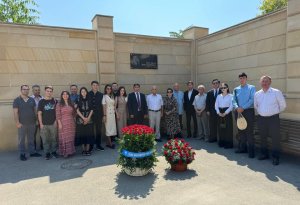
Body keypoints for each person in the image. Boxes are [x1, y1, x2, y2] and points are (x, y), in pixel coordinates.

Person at [254, 76, 286, 165]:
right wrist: (263, 112)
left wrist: (274, 113)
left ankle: (275, 157)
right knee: (263, 137)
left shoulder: (276, 92)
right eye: (263, 81)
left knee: (275, 138)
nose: (264, 83)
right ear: (260, 82)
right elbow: (256, 106)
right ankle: (264, 154)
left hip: (273, 119)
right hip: (261, 119)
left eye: (266, 81)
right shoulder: (257, 94)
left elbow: (283, 105)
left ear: (270, 82)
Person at [13, 85, 41, 161]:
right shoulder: (17, 100)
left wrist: (36, 120)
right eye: (24, 89)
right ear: (21, 90)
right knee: (21, 139)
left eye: (27, 89)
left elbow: (35, 110)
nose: (26, 91)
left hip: (32, 123)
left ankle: (32, 152)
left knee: (31, 139)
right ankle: (22, 154)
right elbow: (15, 112)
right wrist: (17, 123)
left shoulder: (31, 99)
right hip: (22, 124)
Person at [233, 72, 256, 158]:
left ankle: (251, 151)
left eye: (243, 78)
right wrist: (237, 107)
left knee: (249, 132)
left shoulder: (251, 87)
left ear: (246, 79)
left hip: (248, 111)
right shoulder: (236, 89)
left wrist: (243, 107)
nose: (242, 80)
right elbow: (233, 100)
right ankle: (242, 148)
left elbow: (252, 99)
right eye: (240, 78)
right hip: (238, 111)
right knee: (240, 131)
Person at [38, 86, 58, 160]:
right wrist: (41, 124)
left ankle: (54, 152)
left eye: (50, 91)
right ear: (45, 91)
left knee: (54, 139)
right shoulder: (41, 101)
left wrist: (56, 121)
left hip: (53, 123)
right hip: (44, 124)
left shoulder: (55, 101)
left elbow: (57, 112)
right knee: (45, 140)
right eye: (47, 91)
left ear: (52, 92)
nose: (49, 92)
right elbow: (39, 113)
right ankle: (47, 153)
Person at [56, 91, 76, 158]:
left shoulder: (71, 103)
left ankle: (71, 151)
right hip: (63, 123)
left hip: (71, 122)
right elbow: (58, 114)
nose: (65, 95)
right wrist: (59, 124)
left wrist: (75, 107)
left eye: (66, 94)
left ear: (68, 95)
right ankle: (65, 152)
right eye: (63, 94)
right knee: (64, 138)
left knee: (70, 137)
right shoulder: (59, 104)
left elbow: (74, 113)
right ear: (61, 96)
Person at [76, 87, 94, 156]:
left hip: (89, 119)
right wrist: (83, 118)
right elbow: (77, 110)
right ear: (80, 93)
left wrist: (88, 118)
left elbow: (92, 109)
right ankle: (83, 150)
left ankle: (88, 149)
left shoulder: (90, 99)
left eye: (84, 91)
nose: (83, 93)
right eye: (82, 91)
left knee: (89, 135)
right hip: (81, 120)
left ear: (86, 92)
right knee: (82, 135)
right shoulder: (78, 100)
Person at [215, 83, 233, 149]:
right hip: (220, 112)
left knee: (228, 129)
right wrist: (218, 112)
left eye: (224, 87)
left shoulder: (231, 96)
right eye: (222, 88)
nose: (223, 89)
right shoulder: (218, 96)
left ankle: (228, 144)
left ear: (227, 88)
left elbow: (231, 106)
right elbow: (216, 105)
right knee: (221, 128)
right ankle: (222, 142)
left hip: (227, 113)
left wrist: (225, 113)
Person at [88, 81, 104, 151]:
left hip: (99, 115)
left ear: (98, 86)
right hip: (90, 115)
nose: (95, 86)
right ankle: (91, 146)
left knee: (98, 130)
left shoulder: (101, 95)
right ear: (91, 86)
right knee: (90, 131)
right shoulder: (88, 94)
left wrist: (104, 115)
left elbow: (103, 106)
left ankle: (98, 145)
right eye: (94, 85)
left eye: (96, 85)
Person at [102, 84, 117, 149]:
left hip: (112, 115)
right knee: (108, 129)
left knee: (111, 128)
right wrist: (104, 115)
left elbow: (114, 106)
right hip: (107, 114)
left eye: (110, 89)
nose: (109, 90)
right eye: (107, 88)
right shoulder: (104, 96)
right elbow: (104, 106)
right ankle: (110, 144)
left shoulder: (112, 96)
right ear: (105, 89)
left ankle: (108, 143)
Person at [31, 84, 43, 151]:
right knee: (33, 134)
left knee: (42, 134)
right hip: (33, 119)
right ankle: (34, 148)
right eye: (35, 90)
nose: (37, 91)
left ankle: (42, 146)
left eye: (38, 90)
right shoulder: (30, 99)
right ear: (32, 91)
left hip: (42, 119)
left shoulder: (42, 98)